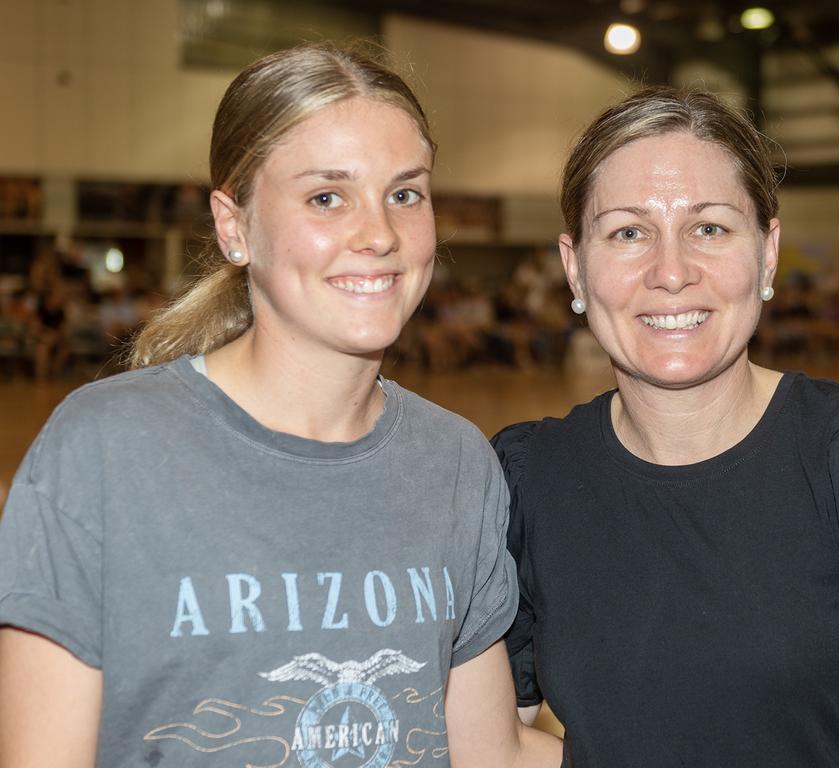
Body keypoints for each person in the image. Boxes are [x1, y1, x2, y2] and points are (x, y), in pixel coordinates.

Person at [0, 43, 560, 768]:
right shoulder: (103, 450)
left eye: (405, 193)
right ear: (234, 227)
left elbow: (491, 755)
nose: (380, 234)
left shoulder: (456, 461)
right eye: (327, 196)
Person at [492, 86, 839, 767]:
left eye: (709, 227)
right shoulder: (526, 481)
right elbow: (498, 746)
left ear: (768, 253)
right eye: (629, 231)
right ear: (575, 266)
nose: (672, 272)